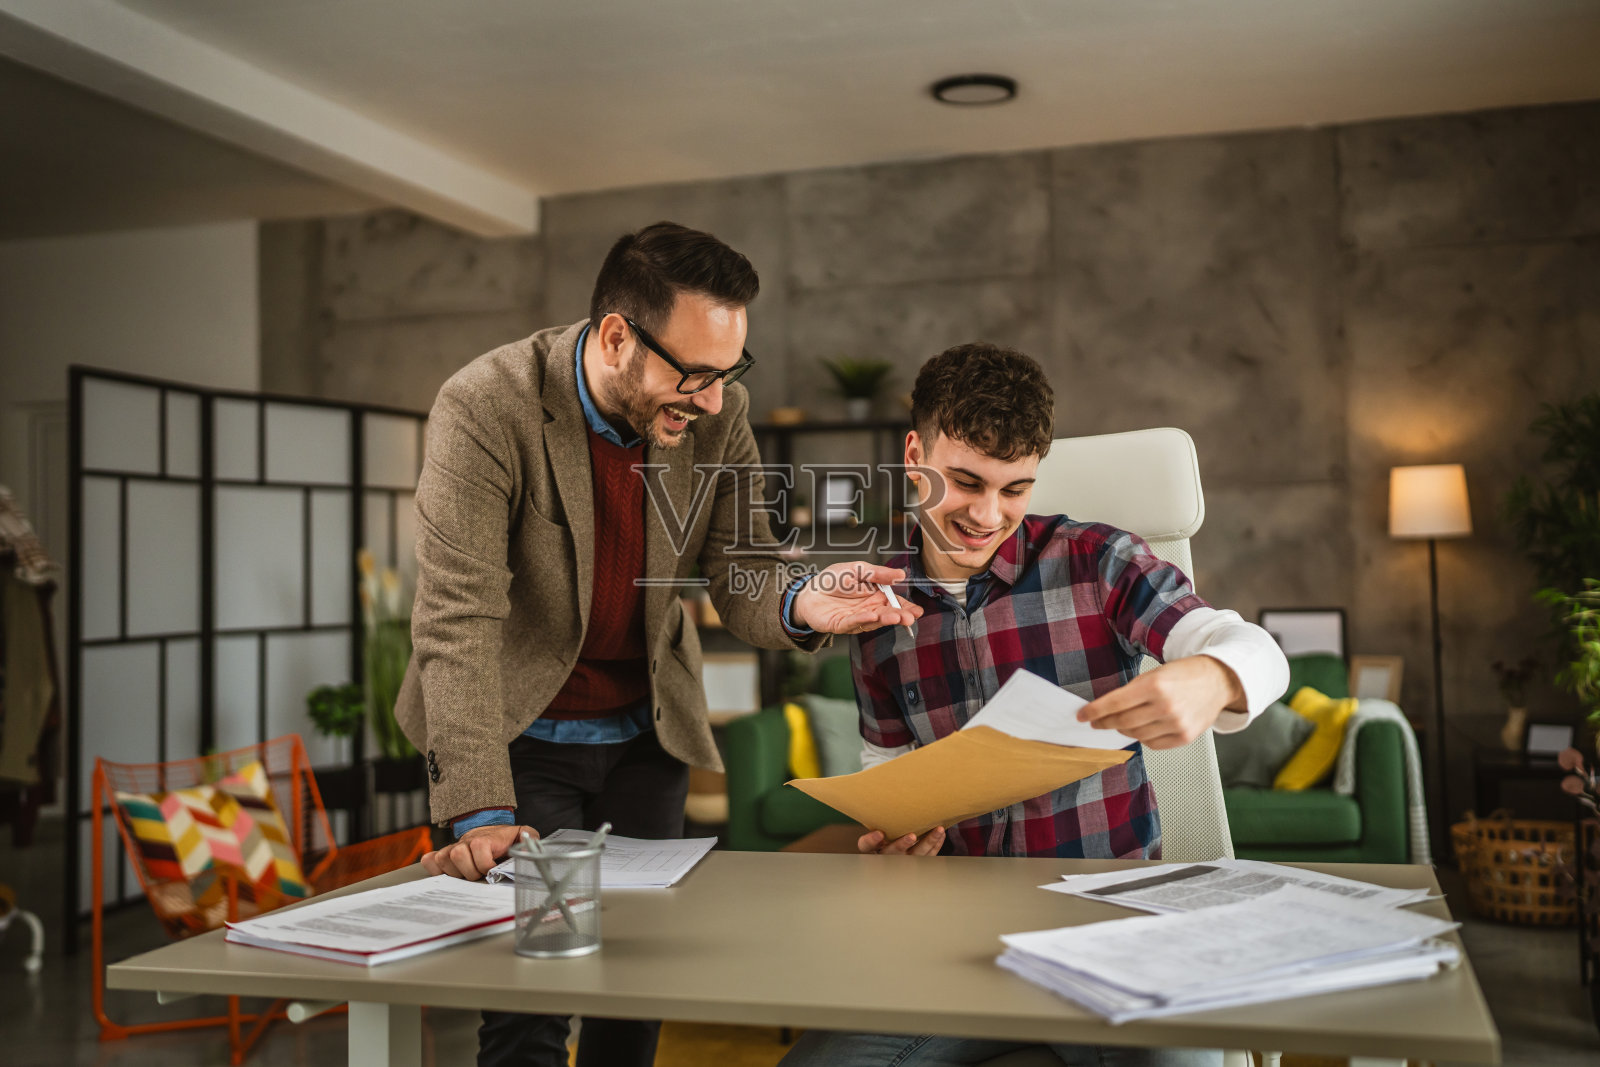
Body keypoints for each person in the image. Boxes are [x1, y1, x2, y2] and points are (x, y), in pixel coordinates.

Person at [395, 221, 920, 1067]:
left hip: (645, 739)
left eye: (729, 372)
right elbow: (457, 616)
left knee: (634, 995)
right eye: (698, 374)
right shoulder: (486, 406)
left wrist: (802, 600)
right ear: (615, 337)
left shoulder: (721, 415)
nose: (715, 399)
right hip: (519, 742)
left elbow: (740, 565)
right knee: (537, 998)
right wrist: (484, 808)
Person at [779, 343, 1289, 1067]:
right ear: (916, 453)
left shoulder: (1098, 561)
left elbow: (1250, 646)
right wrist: (896, 844)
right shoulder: (877, 609)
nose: (988, 514)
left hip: (1113, 941)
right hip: (959, 950)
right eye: (964, 481)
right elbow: (885, 776)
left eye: (1014, 488)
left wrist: (1212, 675)